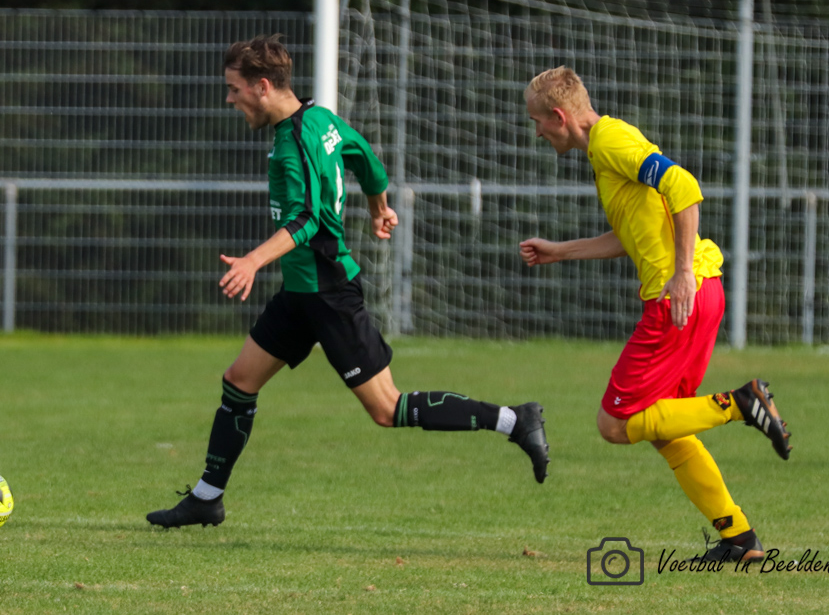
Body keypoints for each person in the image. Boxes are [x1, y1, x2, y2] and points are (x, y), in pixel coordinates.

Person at [146, 35, 550, 529]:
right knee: (239, 382)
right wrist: (379, 208)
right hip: (300, 294)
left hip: (329, 294)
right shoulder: (320, 119)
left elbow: (307, 220)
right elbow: (366, 160)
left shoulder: (294, 144)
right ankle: (207, 498)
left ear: (263, 86)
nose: (230, 99)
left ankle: (514, 420)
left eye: (234, 89)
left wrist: (252, 261)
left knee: (387, 408)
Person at [519, 66, 792, 563]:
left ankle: (740, 403)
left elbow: (682, 185)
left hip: (678, 297)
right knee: (664, 428)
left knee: (614, 423)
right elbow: (632, 233)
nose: (537, 133)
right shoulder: (604, 149)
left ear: (558, 116)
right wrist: (561, 251)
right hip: (698, 293)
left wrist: (682, 272)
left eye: (537, 122)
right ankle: (739, 538)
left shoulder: (610, 141)